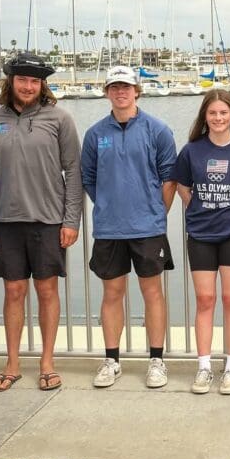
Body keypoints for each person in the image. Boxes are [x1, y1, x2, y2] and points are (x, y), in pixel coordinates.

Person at [0, 53, 83, 392]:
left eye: (34, 81)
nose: (27, 86)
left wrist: (71, 220)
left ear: (42, 85)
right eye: (22, 79)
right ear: (10, 81)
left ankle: (47, 363)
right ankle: (12, 364)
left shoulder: (60, 119)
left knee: (47, 290)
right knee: (13, 291)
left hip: (49, 220)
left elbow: (74, 172)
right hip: (5, 222)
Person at [81, 66, 177, 390]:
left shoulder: (158, 129)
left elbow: (169, 179)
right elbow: (89, 179)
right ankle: (111, 361)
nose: (120, 92)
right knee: (112, 293)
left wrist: (154, 212)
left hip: (148, 228)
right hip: (109, 230)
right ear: (107, 92)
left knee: (153, 293)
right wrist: (109, 205)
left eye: (126, 87)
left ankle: (156, 360)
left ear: (137, 90)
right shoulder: (95, 134)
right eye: (114, 87)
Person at [174, 90, 230, 395]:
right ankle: (204, 367)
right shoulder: (191, 150)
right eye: (213, 113)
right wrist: (199, 210)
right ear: (204, 117)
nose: (218, 118)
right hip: (200, 235)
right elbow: (183, 187)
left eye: (224, 113)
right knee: (205, 299)